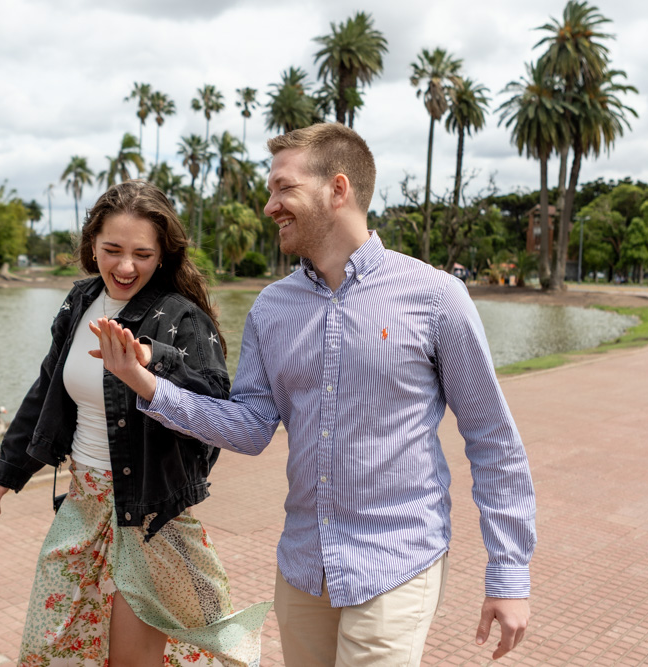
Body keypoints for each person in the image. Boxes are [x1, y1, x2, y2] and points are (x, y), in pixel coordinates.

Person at [91, 123, 537, 666]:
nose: (268, 204)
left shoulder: (436, 298)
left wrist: (508, 574)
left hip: (397, 559)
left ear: (338, 189)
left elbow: (491, 437)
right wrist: (149, 386)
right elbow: (252, 426)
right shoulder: (272, 308)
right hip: (304, 565)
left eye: (284, 188)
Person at [0, 180, 271, 667]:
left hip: (150, 517)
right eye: (112, 249)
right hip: (82, 505)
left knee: (132, 661)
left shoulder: (183, 318)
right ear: (91, 243)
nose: (125, 266)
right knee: (53, 651)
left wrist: (149, 364)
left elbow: (216, 408)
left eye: (142, 253)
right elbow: (48, 388)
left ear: (163, 256)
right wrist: (7, 472)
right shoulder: (79, 302)